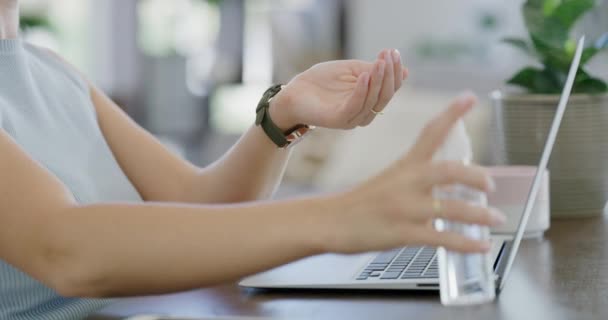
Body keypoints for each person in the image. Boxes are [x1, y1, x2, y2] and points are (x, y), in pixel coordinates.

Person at [0, 1, 505, 319]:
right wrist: (336, 215)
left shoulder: (51, 71)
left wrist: (281, 115)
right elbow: (65, 250)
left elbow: (198, 209)